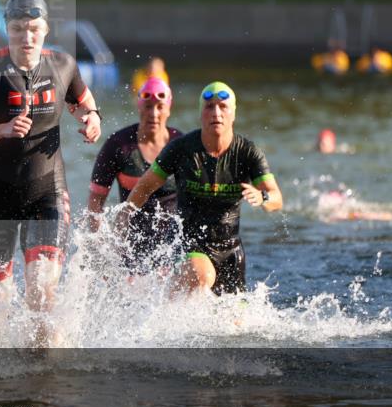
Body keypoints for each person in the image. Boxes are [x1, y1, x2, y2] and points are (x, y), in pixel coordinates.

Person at [0, 0, 102, 346]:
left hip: (46, 191)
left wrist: (91, 119)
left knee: (40, 291)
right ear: (7, 29)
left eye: (33, 28)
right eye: (18, 28)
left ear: (46, 29)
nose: (26, 37)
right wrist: (0, 130)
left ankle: (45, 375)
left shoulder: (63, 64)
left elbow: (85, 104)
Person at [120, 82, 283, 295]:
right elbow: (145, 186)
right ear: (201, 114)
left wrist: (262, 197)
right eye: (209, 106)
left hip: (230, 251)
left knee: (236, 325)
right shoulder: (182, 149)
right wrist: (124, 216)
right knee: (201, 275)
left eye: (223, 106)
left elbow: (276, 199)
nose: (216, 112)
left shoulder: (248, 153)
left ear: (233, 113)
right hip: (188, 243)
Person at [88, 76, 182, 272]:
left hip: (172, 242)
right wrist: (100, 247)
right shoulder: (118, 145)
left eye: (159, 107)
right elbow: (95, 204)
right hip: (132, 241)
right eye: (147, 106)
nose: (153, 114)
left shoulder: (180, 144)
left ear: (169, 109)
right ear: (139, 107)